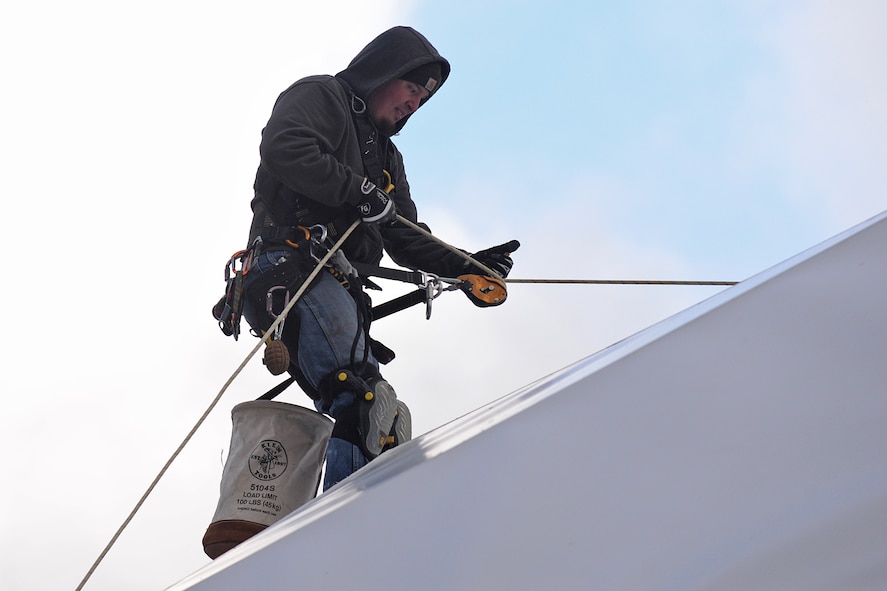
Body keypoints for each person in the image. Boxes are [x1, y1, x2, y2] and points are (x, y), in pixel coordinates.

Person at [238, 26, 518, 490]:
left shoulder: (386, 156)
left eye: (422, 100)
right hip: (290, 270)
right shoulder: (322, 96)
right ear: (383, 72)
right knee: (360, 397)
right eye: (411, 88)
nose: (414, 104)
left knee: (382, 419)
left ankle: (357, 512)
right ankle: (345, 521)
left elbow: (403, 235)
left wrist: (467, 266)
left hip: (334, 285)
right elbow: (284, 146)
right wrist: (357, 191)